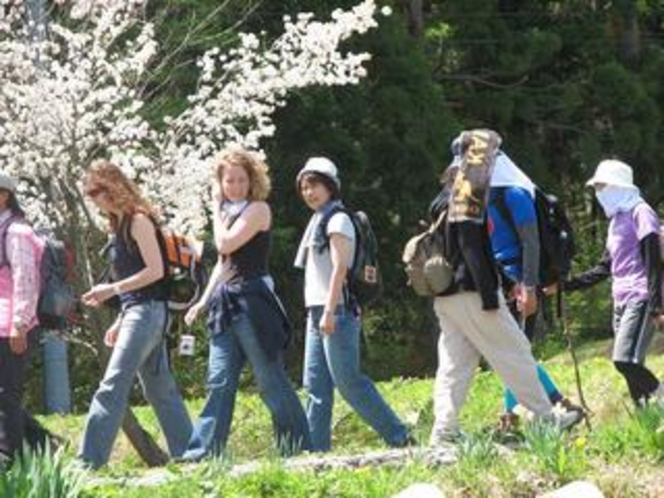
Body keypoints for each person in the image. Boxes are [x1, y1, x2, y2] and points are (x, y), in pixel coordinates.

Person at [429, 130, 583, 445]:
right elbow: (471, 247)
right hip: (473, 291)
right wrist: (489, 296)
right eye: (490, 156)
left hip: (444, 295)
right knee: (515, 353)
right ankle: (546, 418)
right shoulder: (470, 193)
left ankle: (443, 432)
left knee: (454, 365)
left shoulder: (444, 195)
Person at [179, 148, 311, 462]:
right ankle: (204, 452)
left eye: (240, 180)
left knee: (269, 379)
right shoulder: (228, 214)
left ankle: (298, 447)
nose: (235, 186)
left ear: (252, 180)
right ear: (220, 183)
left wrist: (214, 207)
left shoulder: (258, 210)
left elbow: (224, 244)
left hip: (252, 301)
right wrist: (202, 301)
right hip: (224, 303)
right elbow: (222, 264)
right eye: (229, 181)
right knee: (219, 380)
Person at [78, 160, 192, 470]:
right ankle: (192, 455)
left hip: (147, 313)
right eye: (90, 193)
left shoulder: (138, 221)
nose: (94, 198)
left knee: (113, 385)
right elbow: (136, 285)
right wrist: (119, 319)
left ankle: (88, 462)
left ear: (114, 186)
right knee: (160, 389)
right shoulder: (117, 227)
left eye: (97, 190)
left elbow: (154, 272)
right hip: (140, 312)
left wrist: (111, 290)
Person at [294, 156, 413, 452]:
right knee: (315, 386)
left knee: (348, 382)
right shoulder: (317, 220)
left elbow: (340, 269)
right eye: (305, 187)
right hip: (317, 311)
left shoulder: (337, 219)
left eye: (316, 185)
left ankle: (399, 437)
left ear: (331, 187)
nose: (310, 192)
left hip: (337, 310)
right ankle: (315, 452)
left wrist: (331, 311)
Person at [552, 159, 664, 407]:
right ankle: (648, 418)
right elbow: (604, 268)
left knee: (624, 360)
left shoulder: (641, 212)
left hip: (641, 295)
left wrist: (657, 306)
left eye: (603, 186)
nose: (599, 193)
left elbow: (653, 261)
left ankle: (660, 394)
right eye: (597, 188)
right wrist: (566, 285)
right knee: (633, 365)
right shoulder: (616, 220)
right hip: (620, 298)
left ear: (620, 186)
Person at [486, 148, 582, 431]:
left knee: (514, 352)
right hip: (501, 282)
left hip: (521, 281)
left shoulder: (515, 194)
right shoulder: (484, 198)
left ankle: (515, 414)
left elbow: (531, 244)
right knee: (512, 352)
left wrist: (527, 285)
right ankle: (556, 404)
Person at [0, 173, 57, 466]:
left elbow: (26, 279)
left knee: (6, 392)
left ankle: (7, 458)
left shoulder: (17, 232)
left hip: (13, 324)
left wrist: (19, 324)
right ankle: (43, 444)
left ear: (4, 195)